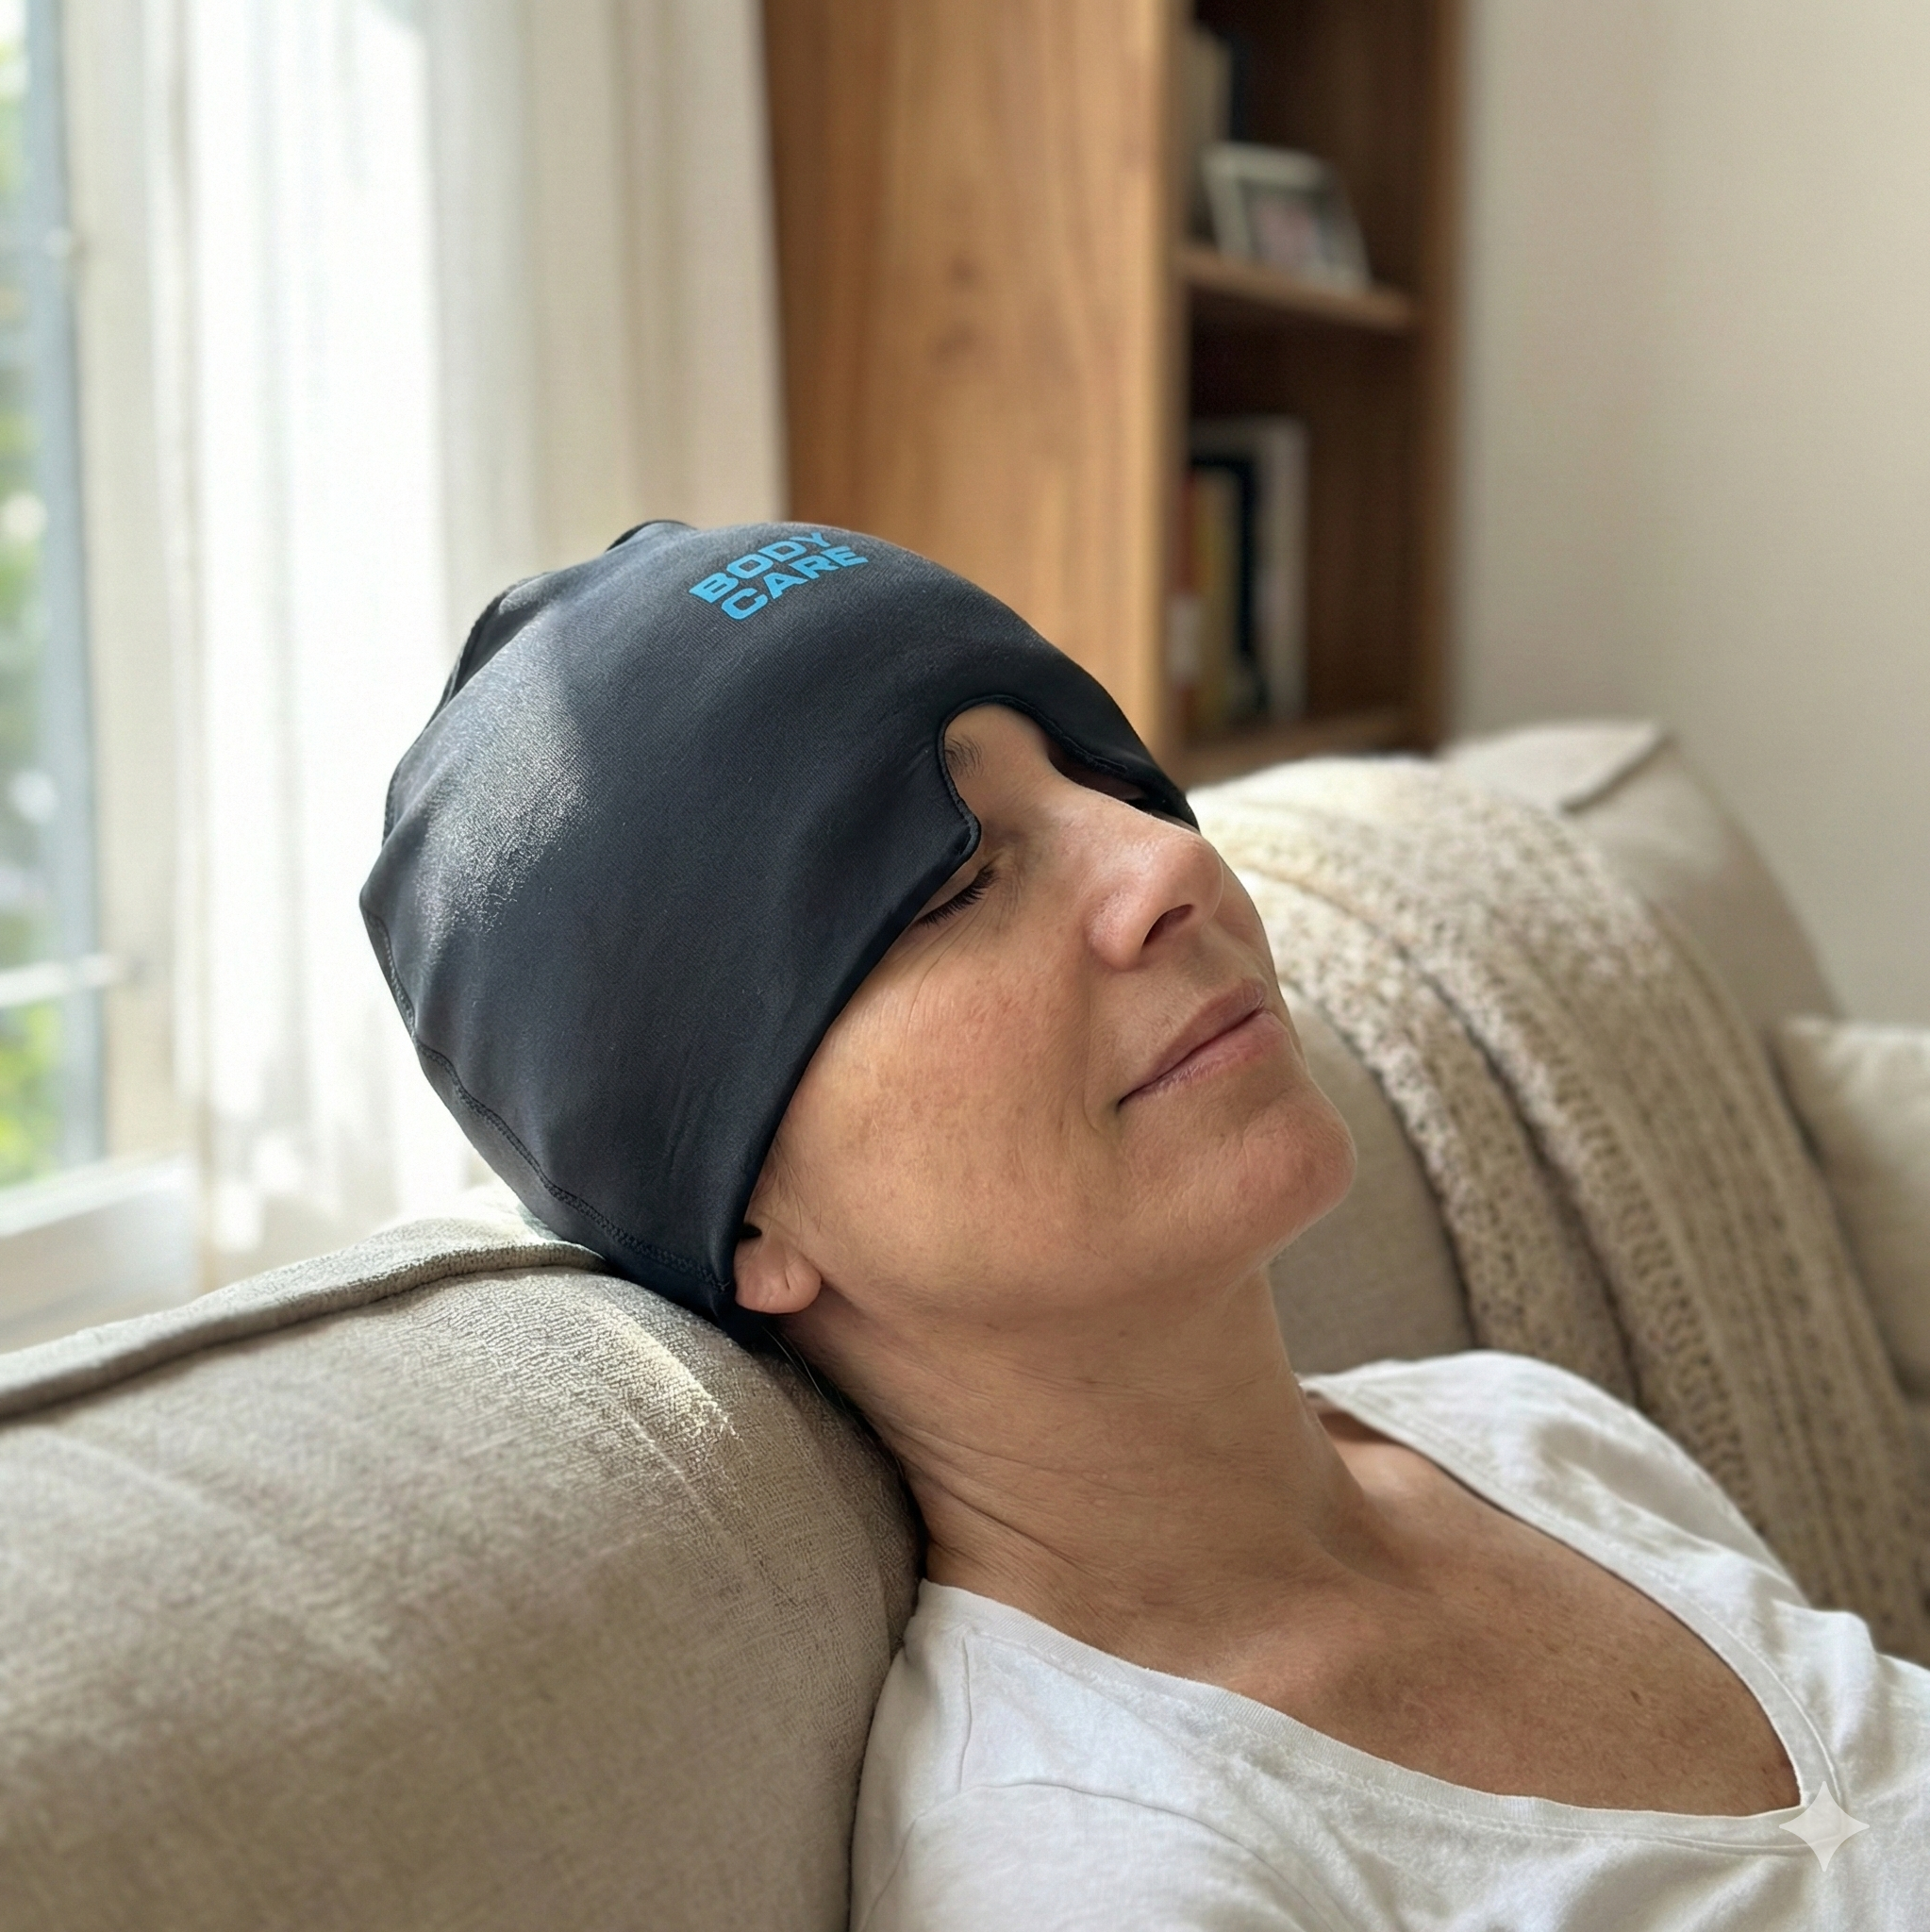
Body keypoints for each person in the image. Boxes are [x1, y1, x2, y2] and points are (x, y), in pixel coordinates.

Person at [366, 521, 1930, 1930]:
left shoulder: (1530, 1437)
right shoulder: (1106, 1869)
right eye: (949, 880)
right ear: (745, 1210)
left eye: (1107, 776)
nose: (1171, 856)